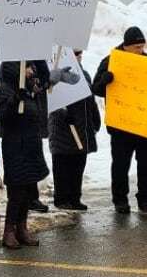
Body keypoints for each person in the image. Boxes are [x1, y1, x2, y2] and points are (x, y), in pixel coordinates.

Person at [92, 26, 147, 214]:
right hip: (120, 124)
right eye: (137, 47)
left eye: (142, 46)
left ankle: (145, 198)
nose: (141, 50)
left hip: (143, 122)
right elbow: (95, 88)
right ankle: (120, 199)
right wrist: (105, 80)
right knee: (121, 164)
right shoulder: (111, 61)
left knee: (146, 163)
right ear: (127, 46)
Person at [0, 61, 48, 249]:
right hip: (15, 147)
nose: (30, 70)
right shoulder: (5, 91)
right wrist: (15, 99)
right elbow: (5, 118)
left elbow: (45, 77)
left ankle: (22, 228)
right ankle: (8, 231)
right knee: (17, 192)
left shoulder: (30, 90)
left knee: (28, 192)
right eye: (26, 68)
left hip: (31, 146)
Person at [49, 49, 101, 211]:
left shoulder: (84, 74)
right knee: (63, 165)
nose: (79, 57)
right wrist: (62, 114)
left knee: (78, 164)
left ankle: (75, 197)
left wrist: (94, 119)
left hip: (82, 126)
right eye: (75, 55)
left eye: (79, 55)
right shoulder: (55, 75)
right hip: (63, 128)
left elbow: (90, 99)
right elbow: (51, 98)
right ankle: (62, 198)